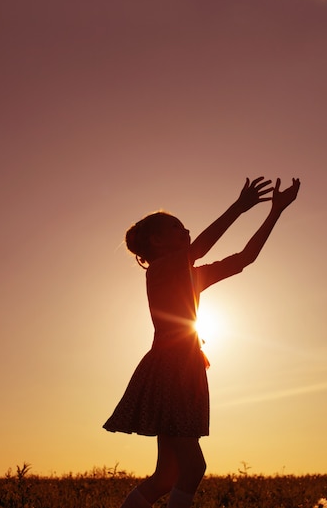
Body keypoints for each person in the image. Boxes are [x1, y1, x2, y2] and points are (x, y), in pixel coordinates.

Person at [103, 176, 301, 508]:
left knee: (166, 477)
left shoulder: (187, 275)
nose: (187, 232)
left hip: (184, 368)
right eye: (178, 230)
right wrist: (239, 207)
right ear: (158, 242)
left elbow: (244, 258)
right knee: (193, 467)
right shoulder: (162, 270)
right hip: (172, 370)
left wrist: (275, 211)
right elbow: (200, 249)